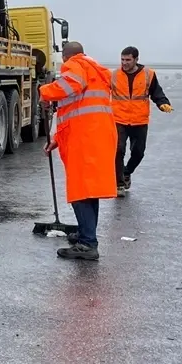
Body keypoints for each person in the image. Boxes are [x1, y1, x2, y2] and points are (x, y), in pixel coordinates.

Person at [40, 41, 119, 261]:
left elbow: (70, 85)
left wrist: (44, 91)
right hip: (95, 136)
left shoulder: (74, 66)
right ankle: (86, 234)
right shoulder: (94, 70)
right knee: (89, 189)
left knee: (81, 191)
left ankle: (87, 244)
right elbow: (76, 110)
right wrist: (56, 139)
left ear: (66, 56)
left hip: (84, 139)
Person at [111, 46, 172, 195]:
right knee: (118, 151)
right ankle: (119, 184)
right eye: (122, 59)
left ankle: (126, 172)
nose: (124, 63)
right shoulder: (114, 75)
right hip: (119, 119)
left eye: (128, 60)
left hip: (139, 120)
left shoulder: (148, 74)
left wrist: (163, 103)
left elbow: (157, 92)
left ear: (136, 60)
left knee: (138, 152)